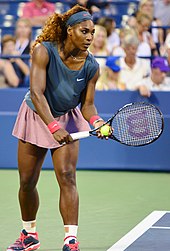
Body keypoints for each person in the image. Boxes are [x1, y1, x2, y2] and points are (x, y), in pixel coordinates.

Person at [7, 5, 110, 251]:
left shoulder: (92, 66)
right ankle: (29, 235)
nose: (89, 37)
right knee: (27, 181)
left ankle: (70, 240)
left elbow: (88, 105)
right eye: (84, 31)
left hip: (67, 118)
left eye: (92, 32)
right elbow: (37, 93)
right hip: (36, 115)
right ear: (69, 30)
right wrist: (52, 126)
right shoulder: (43, 51)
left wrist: (97, 122)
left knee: (67, 176)